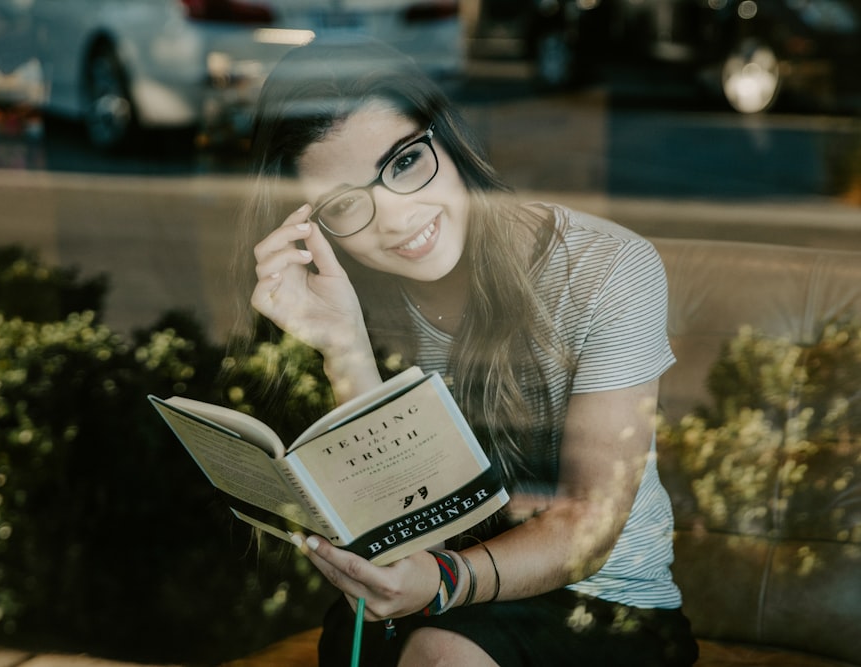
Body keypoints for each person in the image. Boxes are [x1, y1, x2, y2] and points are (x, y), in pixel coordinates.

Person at [229, 37, 699, 667]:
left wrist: (443, 583)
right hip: (435, 595)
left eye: (404, 163)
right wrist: (344, 346)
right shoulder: (345, 295)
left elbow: (588, 523)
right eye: (345, 204)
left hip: (604, 609)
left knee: (440, 651)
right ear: (309, 225)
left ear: (448, 142)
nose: (396, 220)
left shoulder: (605, 268)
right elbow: (401, 518)